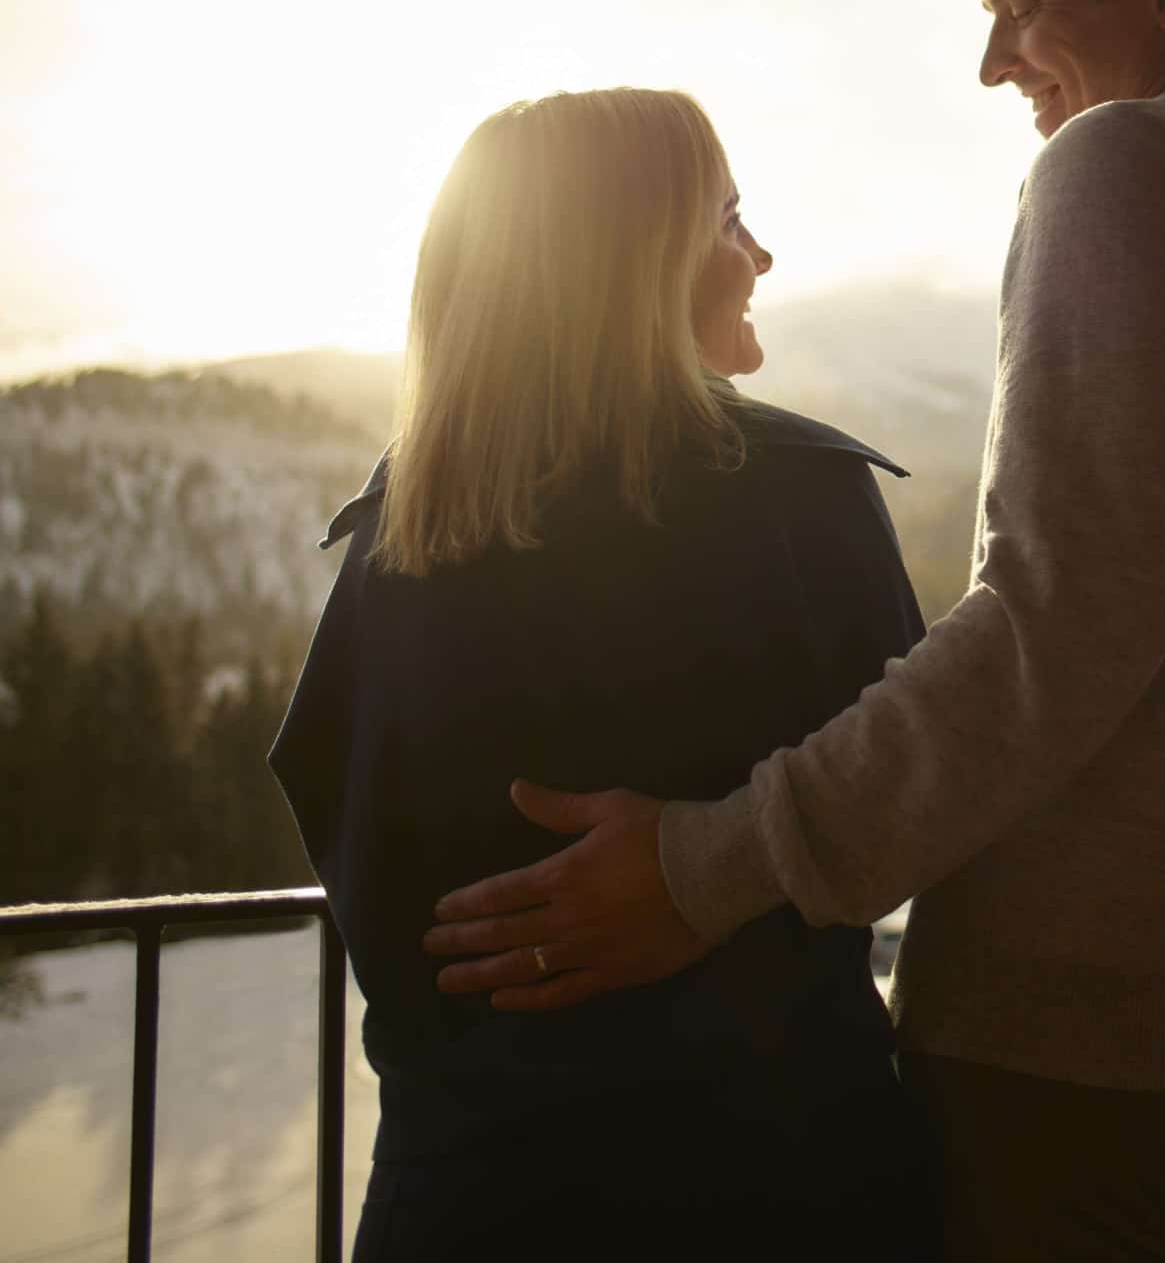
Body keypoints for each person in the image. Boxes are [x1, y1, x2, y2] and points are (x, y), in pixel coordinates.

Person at [425, 0, 1165, 1259]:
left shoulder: (1126, 162)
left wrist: (704, 866)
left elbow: (1061, 619)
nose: (993, 66)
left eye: (1025, 8)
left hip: (1094, 1077)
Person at [271, 87, 933, 1261]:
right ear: (641, 263)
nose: (762, 253)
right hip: (783, 1186)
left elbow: (362, 856)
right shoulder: (800, 503)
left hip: (471, 1193)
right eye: (729, 220)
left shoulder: (398, 539)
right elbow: (909, 812)